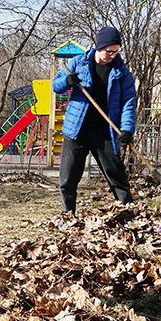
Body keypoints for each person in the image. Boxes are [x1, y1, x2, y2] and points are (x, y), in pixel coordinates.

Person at [52, 26, 137, 211]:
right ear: (99, 47)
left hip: (104, 131)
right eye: (109, 51)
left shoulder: (122, 73)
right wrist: (67, 82)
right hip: (76, 130)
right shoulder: (78, 63)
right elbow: (55, 85)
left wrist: (127, 129)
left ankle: (128, 215)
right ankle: (68, 217)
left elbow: (128, 103)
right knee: (68, 179)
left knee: (116, 176)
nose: (112, 55)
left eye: (116, 51)